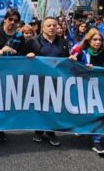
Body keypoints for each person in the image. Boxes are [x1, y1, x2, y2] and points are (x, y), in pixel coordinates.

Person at [69, 28, 104, 156]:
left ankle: (97, 141)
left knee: (100, 113)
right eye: (95, 39)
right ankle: (83, 128)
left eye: (100, 40)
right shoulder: (81, 53)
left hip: (101, 88)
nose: (98, 42)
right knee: (85, 111)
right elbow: (72, 66)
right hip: (85, 88)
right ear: (89, 41)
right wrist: (78, 63)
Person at [25, 16, 70, 147]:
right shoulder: (33, 41)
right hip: (38, 79)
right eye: (49, 25)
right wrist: (28, 56)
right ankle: (39, 130)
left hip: (56, 79)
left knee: (54, 106)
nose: (52, 28)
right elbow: (21, 58)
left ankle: (51, 132)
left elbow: (65, 59)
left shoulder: (62, 42)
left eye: (54, 25)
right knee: (40, 105)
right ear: (42, 28)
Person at [0, 9, 26, 144]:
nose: (12, 23)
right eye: (10, 19)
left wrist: (14, 52)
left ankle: (1, 129)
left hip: (11, 75)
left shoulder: (19, 37)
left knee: (6, 103)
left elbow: (23, 54)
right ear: (5, 20)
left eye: (15, 20)